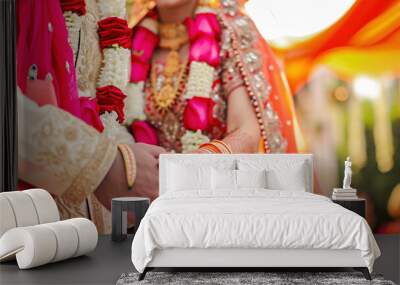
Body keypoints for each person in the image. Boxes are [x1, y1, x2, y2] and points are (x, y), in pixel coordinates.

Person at [126, 0, 302, 154]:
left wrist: (193, 165)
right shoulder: (127, 42)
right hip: (146, 188)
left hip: (215, 183)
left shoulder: (230, 32)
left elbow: (246, 131)